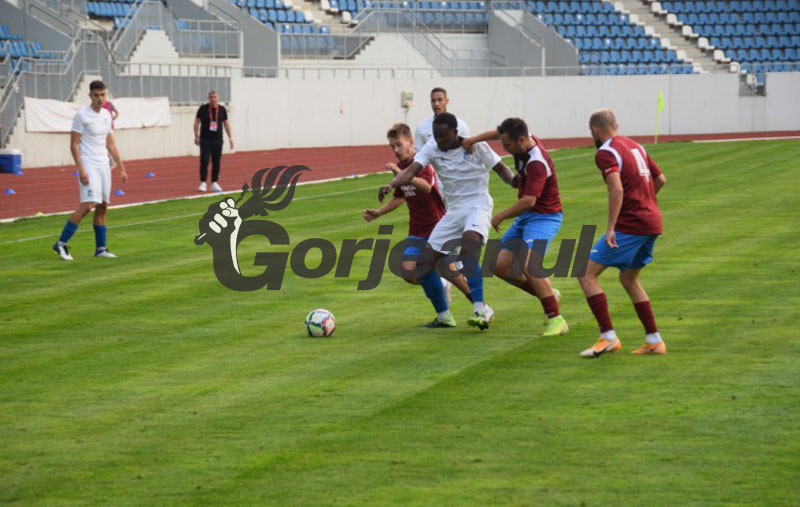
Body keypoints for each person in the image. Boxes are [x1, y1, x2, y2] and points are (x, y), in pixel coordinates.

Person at [379, 113, 516, 330]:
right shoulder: (433, 147)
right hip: (453, 212)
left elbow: (501, 168)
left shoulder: (475, 147)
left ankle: (480, 309)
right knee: (424, 265)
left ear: (455, 132)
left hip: (478, 205)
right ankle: (444, 313)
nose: (440, 141)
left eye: (443, 137)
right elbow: (411, 171)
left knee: (468, 249)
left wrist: (515, 182)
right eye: (436, 137)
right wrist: (391, 184)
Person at [464, 118, 569, 337]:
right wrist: (473, 139)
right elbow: (498, 132)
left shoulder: (536, 162)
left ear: (521, 140)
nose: (505, 149)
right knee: (498, 265)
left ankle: (556, 319)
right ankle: (548, 294)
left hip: (545, 217)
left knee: (530, 265)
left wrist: (499, 217)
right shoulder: (523, 139)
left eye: (508, 145)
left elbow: (529, 201)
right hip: (527, 217)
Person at [577, 109, 668, 358]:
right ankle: (654, 340)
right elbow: (660, 179)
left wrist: (611, 227)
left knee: (585, 274)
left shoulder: (606, 152)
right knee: (629, 279)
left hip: (632, 224)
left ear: (595, 130)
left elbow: (616, 189)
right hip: (652, 222)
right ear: (616, 125)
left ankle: (608, 337)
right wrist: (645, 202)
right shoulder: (636, 146)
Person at [363, 123, 472, 326]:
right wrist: (378, 213)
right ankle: (444, 312)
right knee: (408, 271)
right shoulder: (402, 168)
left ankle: (480, 307)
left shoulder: (423, 162)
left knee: (449, 272)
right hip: (417, 230)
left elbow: (426, 187)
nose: (396, 150)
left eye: (399, 145)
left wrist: (400, 172)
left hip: (437, 227)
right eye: (392, 147)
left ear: (411, 142)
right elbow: (399, 197)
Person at [53, 80, 128, 261]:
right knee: (88, 205)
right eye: (96, 95)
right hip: (89, 164)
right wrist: (81, 169)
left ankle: (101, 249)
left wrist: (121, 168)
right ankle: (61, 244)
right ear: (90, 96)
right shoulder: (81, 116)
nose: (100, 99)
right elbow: (74, 145)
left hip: (104, 165)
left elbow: (110, 143)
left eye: (103, 95)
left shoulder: (107, 115)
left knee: (102, 207)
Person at [194, 90, 233, 193]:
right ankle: (203, 182)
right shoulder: (203, 109)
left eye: (215, 97)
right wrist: (196, 136)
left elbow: (226, 123)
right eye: (211, 97)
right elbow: (197, 122)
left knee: (216, 161)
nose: (213, 99)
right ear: (208, 98)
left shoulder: (222, 109)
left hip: (218, 139)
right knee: (204, 160)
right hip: (205, 139)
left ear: (218, 98)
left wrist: (230, 137)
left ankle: (214, 182)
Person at [414, 87, 470, 151]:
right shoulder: (422, 127)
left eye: (440, 100)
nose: (436, 104)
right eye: (433, 101)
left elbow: (468, 148)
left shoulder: (461, 125)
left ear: (446, 101)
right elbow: (418, 151)